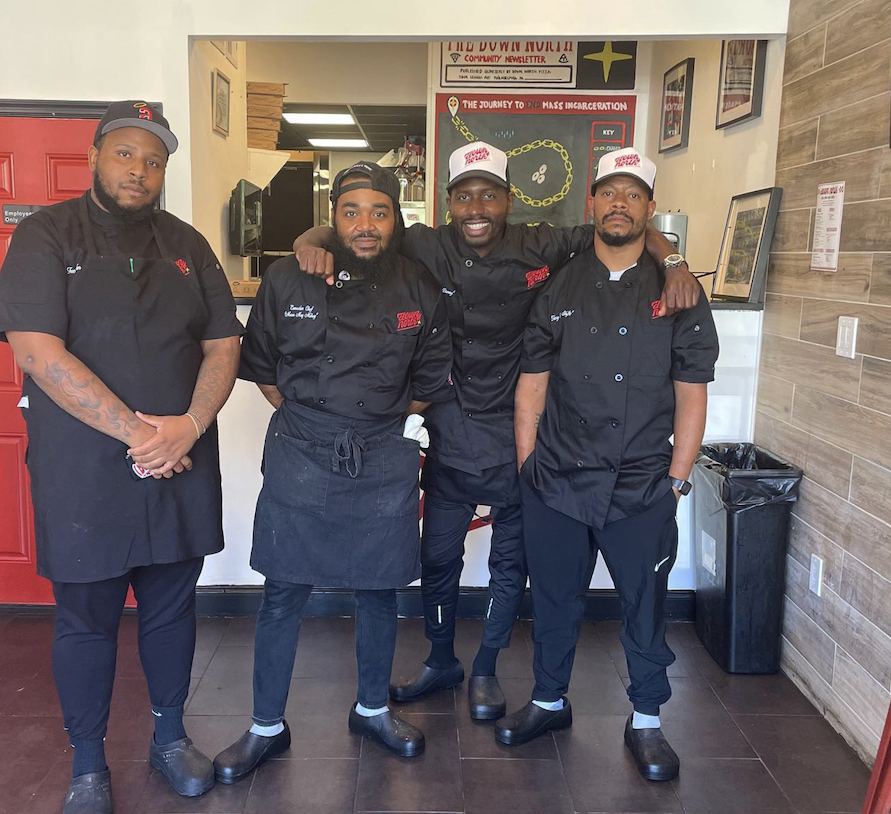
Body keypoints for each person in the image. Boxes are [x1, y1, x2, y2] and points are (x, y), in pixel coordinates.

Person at [293, 142, 700, 721]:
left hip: (517, 427)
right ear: (448, 203)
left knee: (513, 561)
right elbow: (356, 229)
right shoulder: (423, 241)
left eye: (489, 194)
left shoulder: (542, 243)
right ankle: (440, 659)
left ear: (508, 200)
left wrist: (676, 261)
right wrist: (310, 241)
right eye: (464, 196)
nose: (476, 207)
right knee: (437, 556)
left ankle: (485, 664)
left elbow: (625, 229)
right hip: (449, 423)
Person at [0, 101, 243, 814]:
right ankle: (87, 765)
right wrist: (143, 435)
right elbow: (37, 351)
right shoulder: (46, 235)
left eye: (155, 159)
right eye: (126, 153)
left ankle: (169, 739)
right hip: (86, 473)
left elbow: (223, 344)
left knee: (171, 609)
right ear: (96, 155)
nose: (140, 169)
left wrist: (189, 427)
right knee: (86, 620)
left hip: (181, 462)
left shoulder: (187, 243)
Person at [212, 161, 453, 783]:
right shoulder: (290, 278)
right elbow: (262, 366)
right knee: (283, 590)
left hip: (383, 453)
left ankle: (372, 708)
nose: (366, 225)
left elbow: (428, 380)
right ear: (333, 216)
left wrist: (373, 427)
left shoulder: (420, 286)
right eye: (352, 211)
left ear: (396, 219)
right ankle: (267, 724)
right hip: (301, 448)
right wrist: (314, 424)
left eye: (379, 211)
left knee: (380, 588)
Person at [502, 148, 719, 782]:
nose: (619, 202)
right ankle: (548, 700)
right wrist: (527, 468)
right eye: (609, 192)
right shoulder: (559, 286)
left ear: (649, 209)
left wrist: (676, 481)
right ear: (590, 202)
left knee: (645, 604)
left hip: (642, 484)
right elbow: (532, 385)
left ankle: (647, 718)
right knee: (554, 599)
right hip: (558, 479)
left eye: (633, 193)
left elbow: (691, 393)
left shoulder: (678, 292)